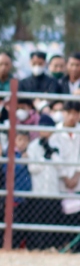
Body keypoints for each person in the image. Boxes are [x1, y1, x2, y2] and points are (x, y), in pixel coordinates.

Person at [51, 101, 80, 246]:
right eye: (69, 113)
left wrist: (76, 175)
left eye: (76, 113)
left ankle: (75, 247)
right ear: (64, 114)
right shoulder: (56, 133)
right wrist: (64, 176)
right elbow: (55, 155)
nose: (72, 117)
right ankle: (61, 245)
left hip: (78, 180)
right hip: (59, 180)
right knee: (60, 214)